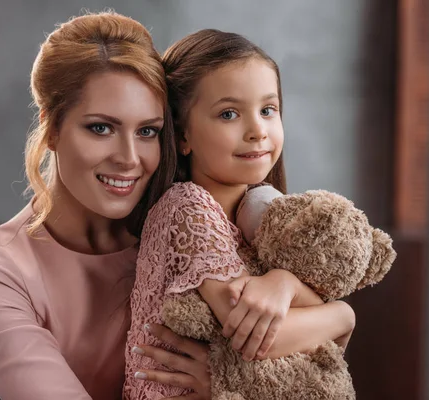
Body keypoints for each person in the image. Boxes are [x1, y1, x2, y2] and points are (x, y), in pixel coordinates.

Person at [0, 12, 210, 400]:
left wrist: (338, 314)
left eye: (147, 131)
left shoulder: (189, 229)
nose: (129, 158)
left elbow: (316, 330)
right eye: (101, 128)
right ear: (52, 128)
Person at [124, 29, 356, 399]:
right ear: (183, 135)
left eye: (268, 110)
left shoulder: (263, 216)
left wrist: (283, 283)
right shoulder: (187, 206)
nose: (257, 131)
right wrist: (343, 316)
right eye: (229, 114)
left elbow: (300, 355)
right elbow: (256, 339)